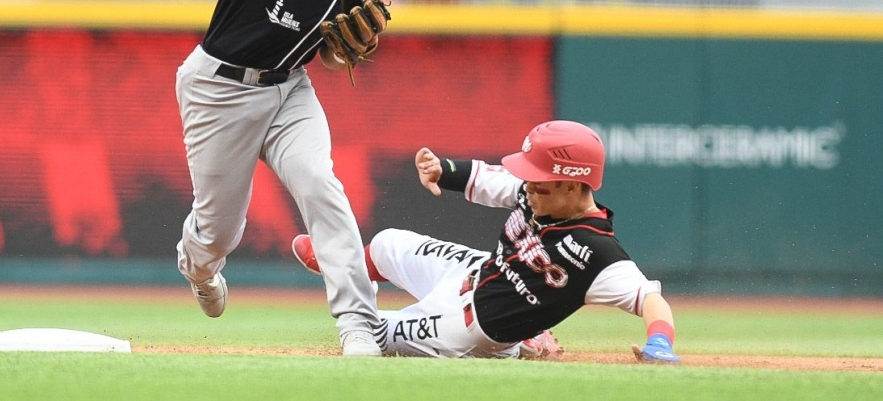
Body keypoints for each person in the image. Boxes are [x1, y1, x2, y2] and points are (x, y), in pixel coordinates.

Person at [174, 0, 395, 357]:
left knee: (322, 186)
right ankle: (199, 268)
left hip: (290, 87)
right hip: (220, 87)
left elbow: (334, 58)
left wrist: (351, 51)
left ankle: (358, 325)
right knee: (220, 231)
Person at [292, 120, 682, 362]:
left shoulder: (598, 254)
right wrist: (441, 170)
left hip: (470, 328)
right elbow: (485, 179)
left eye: (538, 178)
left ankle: (522, 340)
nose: (528, 184)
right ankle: (338, 264)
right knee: (387, 243)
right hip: (476, 272)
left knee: (372, 332)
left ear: (570, 184)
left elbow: (650, 298)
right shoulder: (536, 193)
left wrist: (659, 343)